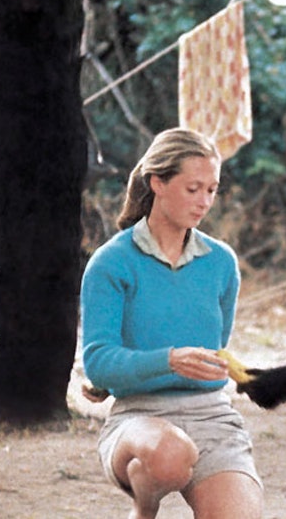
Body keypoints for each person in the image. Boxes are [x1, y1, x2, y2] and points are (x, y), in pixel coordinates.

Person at [81, 128, 262, 519]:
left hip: (212, 414)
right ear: (157, 182)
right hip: (138, 417)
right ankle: (144, 509)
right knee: (170, 456)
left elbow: (214, 348)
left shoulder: (221, 262)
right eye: (193, 188)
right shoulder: (111, 263)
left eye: (212, 190)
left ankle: (149, 484)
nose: (204, 202)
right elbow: (98, 361)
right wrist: (168, 360)